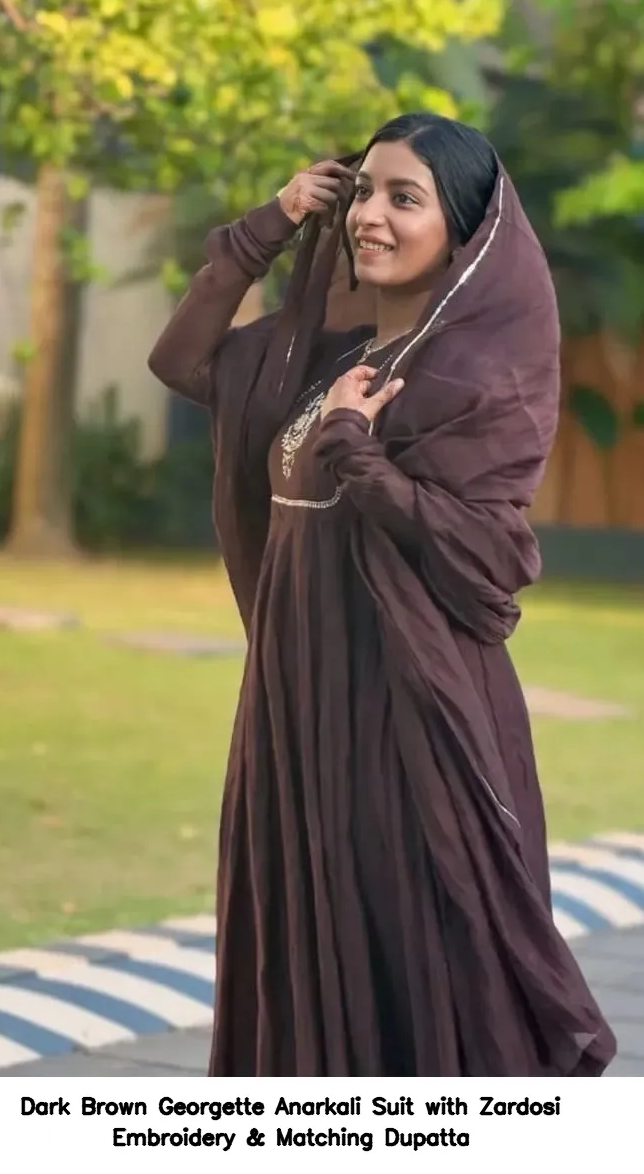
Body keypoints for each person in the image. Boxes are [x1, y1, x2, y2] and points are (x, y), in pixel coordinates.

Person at [148, 112, 616, 1076]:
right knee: (303, 945)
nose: (371, 215)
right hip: (292, 709)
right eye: (363, 190)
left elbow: (483, 557)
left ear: (463, 233)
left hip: (403, 715)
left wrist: (354, 448)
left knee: (412, 957)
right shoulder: (325, 357)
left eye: (406, 198)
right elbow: (180, 361)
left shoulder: (473, 380)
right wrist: (271, 223)